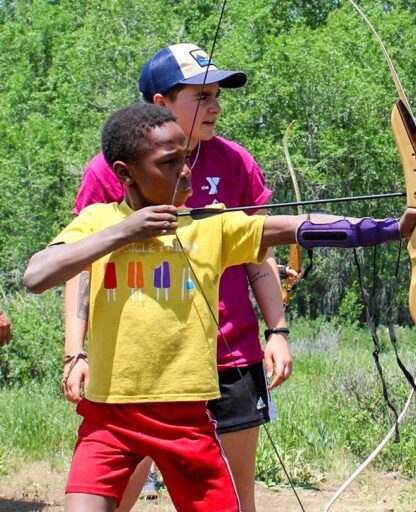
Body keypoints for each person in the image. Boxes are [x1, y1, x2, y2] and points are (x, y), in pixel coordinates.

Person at [24, 103, 416, 511]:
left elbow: (294, 227)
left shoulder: (212, 224)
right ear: (124, 174)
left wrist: (390, 228)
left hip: (187, 418)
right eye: (170, 163)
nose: (186, 171)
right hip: (109, 417)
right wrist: (125, 232)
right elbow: (37, 275)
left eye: (186, 158)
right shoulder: (97, 221)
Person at [61, 43, 289, 511]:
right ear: (160, 104)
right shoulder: (113, 169)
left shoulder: (235, 161)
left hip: (230, 355)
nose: (215, 106)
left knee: (232, 495)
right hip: (138, 368)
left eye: (218, 95)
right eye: (201, 96)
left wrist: (278, 330)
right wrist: (75, 351)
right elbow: (81, 259)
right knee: (114, 497)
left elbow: (258, 253)